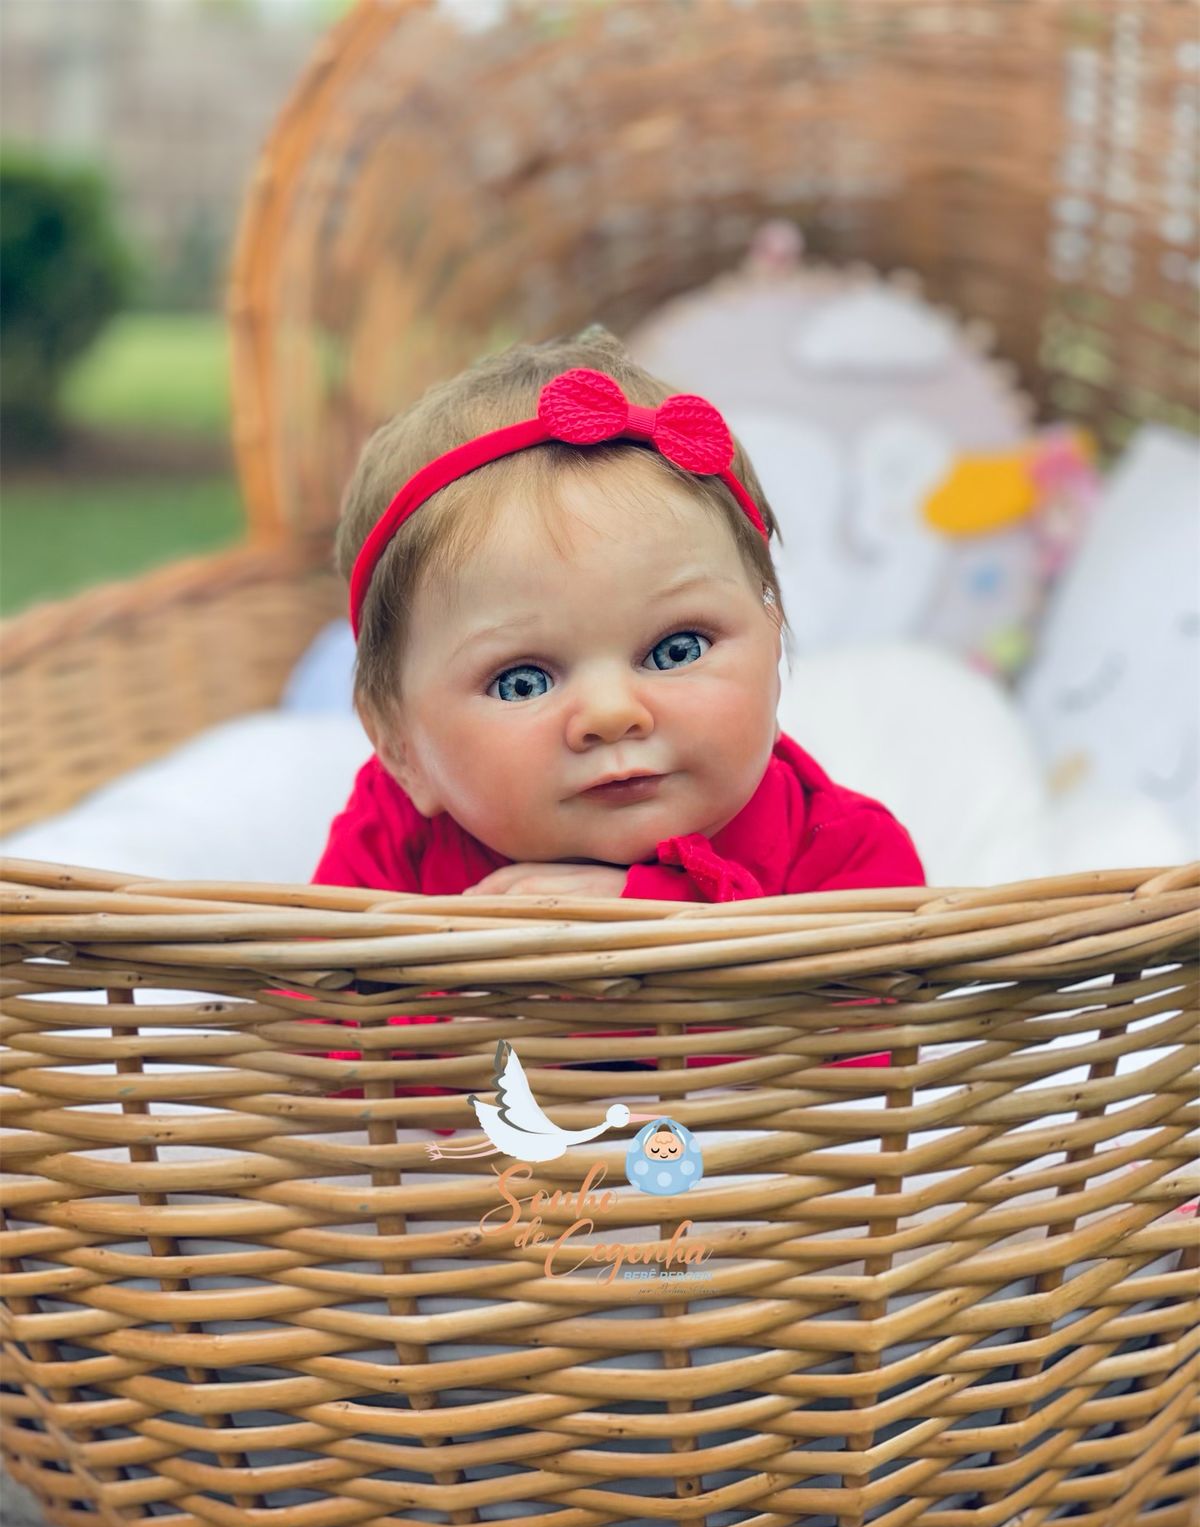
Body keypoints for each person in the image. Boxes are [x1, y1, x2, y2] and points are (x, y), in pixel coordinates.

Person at [308, 326, 925, 1133]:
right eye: (522, 679)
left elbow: (869, 1061)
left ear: (774, 648)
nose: (611, 713)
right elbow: (317, 1045)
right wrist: (482, 995)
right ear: (401, 747)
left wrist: (663, 931)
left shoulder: (840, 851)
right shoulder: (394, 841)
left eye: (676, 649)